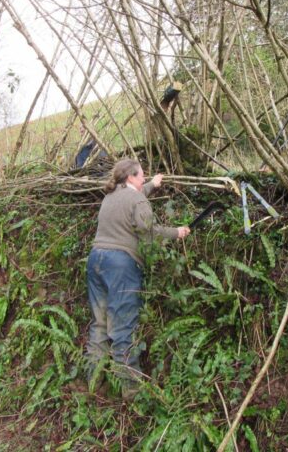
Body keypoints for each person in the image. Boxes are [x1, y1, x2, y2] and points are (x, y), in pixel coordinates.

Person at [85, 158, 191, 399]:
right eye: (142, 175)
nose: (144, 178)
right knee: (123, 327)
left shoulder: (111, 195)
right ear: (131, 177)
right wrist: (177, 232)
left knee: (100, 324)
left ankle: (93, 382)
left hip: (96, 261)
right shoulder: (137, 199)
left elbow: (136, 196)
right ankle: (132, 391)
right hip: (121, 266)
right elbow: (150, 233)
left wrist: (153, 184)